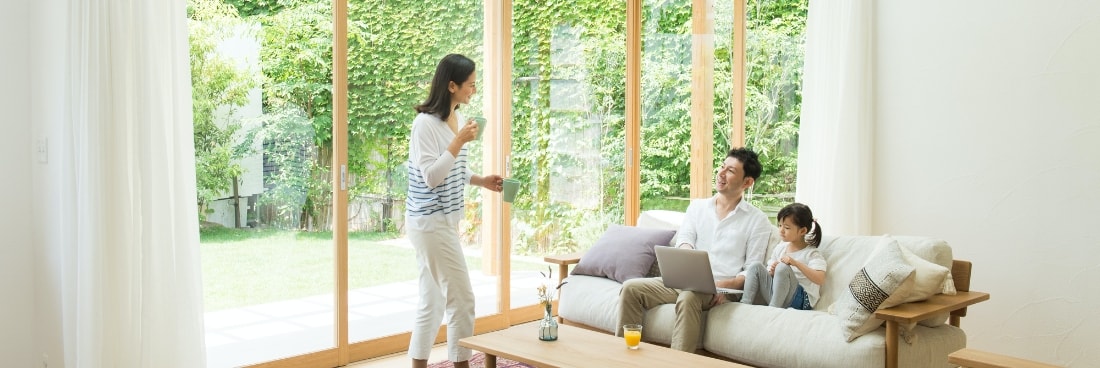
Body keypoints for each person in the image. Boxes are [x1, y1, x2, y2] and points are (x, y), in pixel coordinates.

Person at [618, 147, 775, 352]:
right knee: (631, 288)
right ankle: (622, 360)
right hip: (685, 280)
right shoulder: (697, 207)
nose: (721, 173)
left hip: (722, 287)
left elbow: (751, 270)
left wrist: (720, 286)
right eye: (722, 167)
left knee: (689, 296)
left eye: (731, 171)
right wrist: (685, 254)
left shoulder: (757, 220)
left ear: (747, 182)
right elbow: (685, 239)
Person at [405, 53, 502, 368]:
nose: (473, 90)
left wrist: (481, 180)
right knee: (462, 300)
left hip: (442, 221)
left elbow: (453, 170)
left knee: (432, 301)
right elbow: (432, 177)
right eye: (470, 85)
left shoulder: (455, 119)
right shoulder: (424, 125)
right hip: (429, 222)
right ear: (451, 85)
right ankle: (461, 364)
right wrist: (458, 142)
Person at [740, 203, 826, 310]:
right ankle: (745, 304)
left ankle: (773, 309)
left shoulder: (812, 254)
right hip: (779, 295)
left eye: (786, 227)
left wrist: (795, 263)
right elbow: (771, 274)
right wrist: (772, 272)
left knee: (782, 267)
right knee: (755, 266)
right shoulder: (780, 248)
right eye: (780, 225)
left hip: (801, 300)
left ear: (803, 231)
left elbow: (820, 279)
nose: (781, 230)